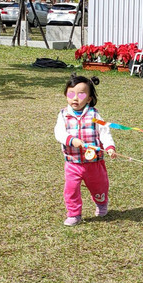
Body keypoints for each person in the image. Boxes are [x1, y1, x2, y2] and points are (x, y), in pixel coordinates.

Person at [54, 75, 116, 226]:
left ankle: (101, 204)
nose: (75, 98)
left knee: (99, 186)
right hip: (73, 163)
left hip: (94, 163)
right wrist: (71, 140)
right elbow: (59, 133)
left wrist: (109, 147)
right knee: (71, 189)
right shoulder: (63, 115)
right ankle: (74, 214)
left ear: (88, 98)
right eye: (71, 94)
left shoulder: (95, 115)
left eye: (81, 94)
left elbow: (104, 132)